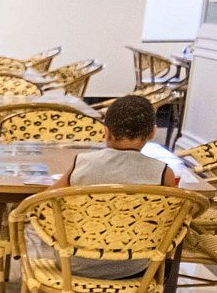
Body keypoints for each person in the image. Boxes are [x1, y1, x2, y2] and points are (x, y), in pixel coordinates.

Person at [49, 94, 179, 281]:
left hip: (75, 263)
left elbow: (47, 201)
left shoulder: (82, 162)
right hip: (135, 265)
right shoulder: (163, 172)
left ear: (106, 132)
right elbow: (171, 218)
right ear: (152, 132)